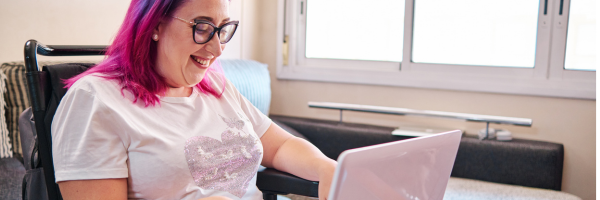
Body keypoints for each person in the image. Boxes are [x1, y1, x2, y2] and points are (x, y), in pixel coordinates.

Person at [50, 0, 336, 199]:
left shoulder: (213, 84)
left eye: (223, 29)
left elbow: (280, 145)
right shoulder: (94, 100)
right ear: (155, 25)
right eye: (202, 28)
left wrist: (327, 169)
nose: (218, 49)